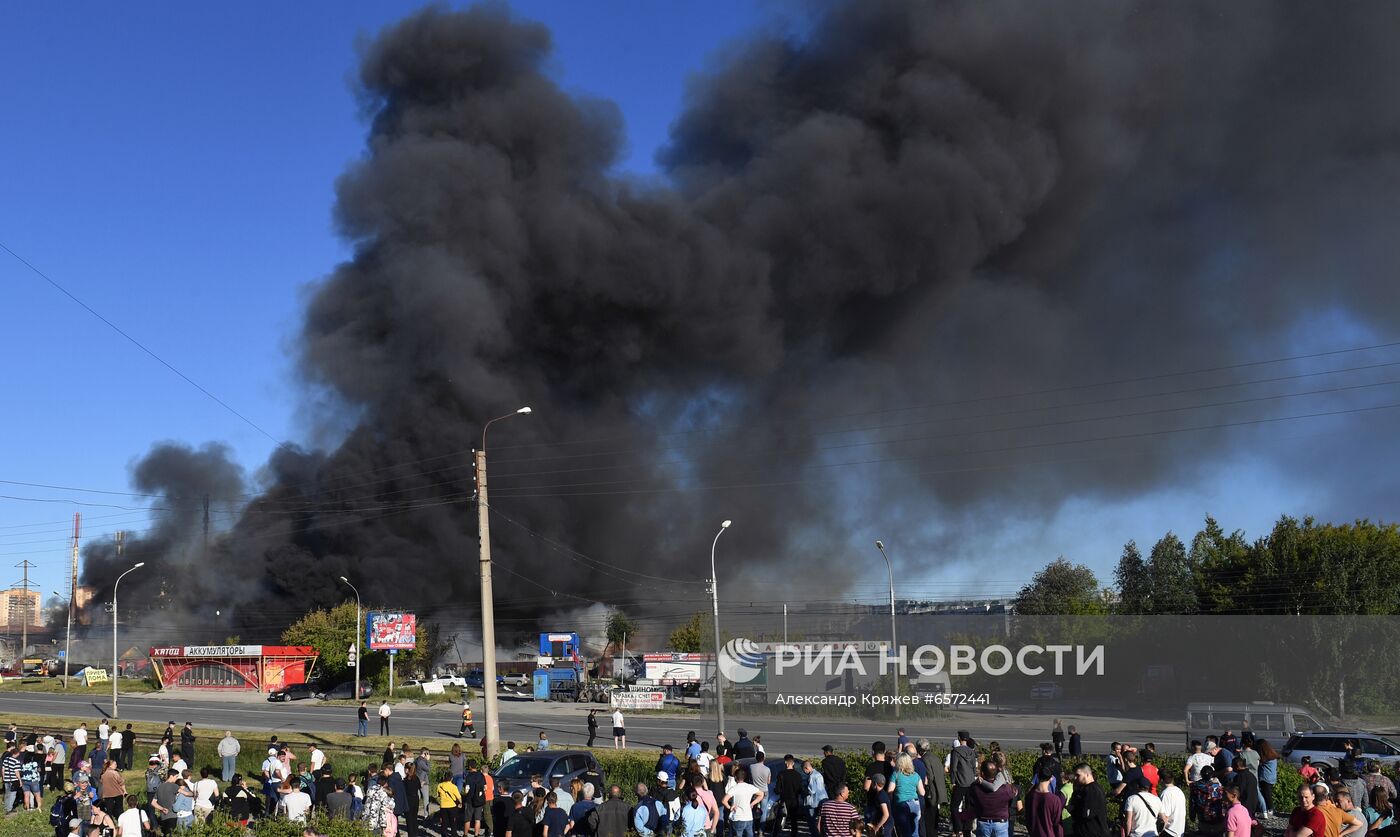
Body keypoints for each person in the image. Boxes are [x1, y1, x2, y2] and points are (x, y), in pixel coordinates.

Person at [969, 759, 1017, 837]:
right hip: (1000, 823)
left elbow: (972, 802)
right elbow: (1015, 792)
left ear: (982, 773)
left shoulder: (975, 788)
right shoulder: (1005, 789)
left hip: (983, 822)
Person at [949, 732, 979, 837]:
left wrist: (952, 781)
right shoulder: (972, 752)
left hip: (960, 782)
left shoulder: (956, 751)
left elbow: (953, 768)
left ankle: (958, 829)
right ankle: (967, 828)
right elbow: (974, 768)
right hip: (970, 782)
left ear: (959, 738)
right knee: (969, 807)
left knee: (954, 807)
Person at [1069, 763, 1110, 837]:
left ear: (1087, 774)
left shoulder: (1091, 790)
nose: (1075, 778)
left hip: (1094, 833)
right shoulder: (1086, 789)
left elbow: (1087, 814)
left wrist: (1073, 810)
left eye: (1078, 775)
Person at [723, 766, 764, 837]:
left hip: (738, 817)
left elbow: (724, 800)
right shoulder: (750, 787)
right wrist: (753, 803)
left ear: (735, 777)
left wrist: (730, 807)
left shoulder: (734, 788)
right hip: (748, 817)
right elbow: (761, 794)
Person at [1028, 767, 1065, 837]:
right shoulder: (1054, 800)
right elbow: (1057, 823)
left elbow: (1028, 818)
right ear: (1051, 778)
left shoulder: (1029, 796)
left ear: (1037, 776)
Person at [437, 772, 464, 837]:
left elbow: (438, 795)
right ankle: (453, 835)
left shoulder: (440, 785)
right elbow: (459, 797)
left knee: (444, 822)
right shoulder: (453, 787)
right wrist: (460, 803)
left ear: (444, 777)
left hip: (443, 806)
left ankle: (444, 835)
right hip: (452, 806)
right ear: (452, 778)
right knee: (453, 822)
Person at [403, 763, 422, 837]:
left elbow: (405, 790)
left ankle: (411, 834)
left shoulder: (406, 780)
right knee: (414, 818)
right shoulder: (416, 778)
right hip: (415, 799)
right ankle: (415, 834)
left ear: (407, 769)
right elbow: (419, 786)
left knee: (409, 820)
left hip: (409, 800)